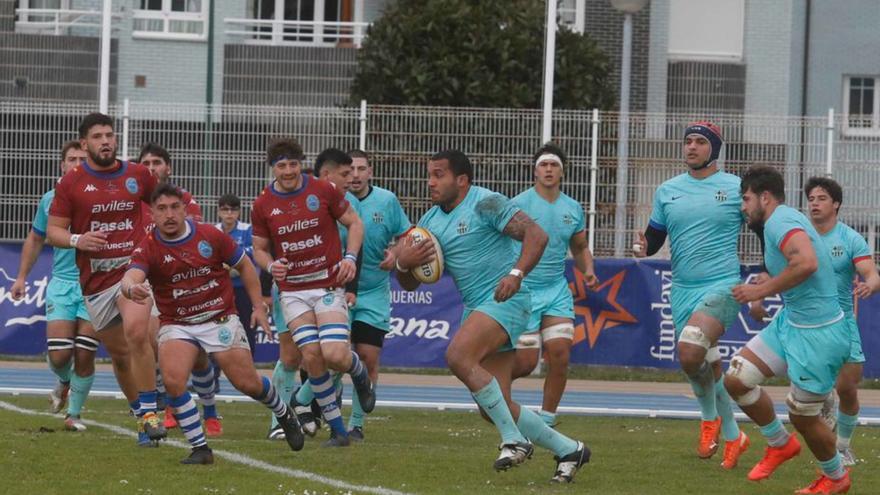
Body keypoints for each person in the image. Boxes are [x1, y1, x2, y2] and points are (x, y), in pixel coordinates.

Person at [395, 149, 589, 482]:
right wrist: (403, 261)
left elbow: (536, 235)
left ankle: (514, 440)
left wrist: (516, 273)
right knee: (492, 408)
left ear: (461, 180)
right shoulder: (428, 224)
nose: (431, 182)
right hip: (478, 307)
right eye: (429, 175)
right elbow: (409, 284)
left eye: (438, 174)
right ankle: (570, 449)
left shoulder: (486, 203)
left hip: (507, 300)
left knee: (457, 355)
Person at [121, 183, 304, 464]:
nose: (169, 214)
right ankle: (201, 449)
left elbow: (245, 265)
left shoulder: (210, 236)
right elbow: (130, 276)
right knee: (173, 381)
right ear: (152, 214)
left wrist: (258, 305)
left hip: (218, 317)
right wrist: (131, 288)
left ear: (185, 209)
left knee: (248, 383)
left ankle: (283, 412)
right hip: (178, 323)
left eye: (174, 207)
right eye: (161, 209)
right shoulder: (148, 246)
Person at [726, 165, 852, 494]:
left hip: (819, 334)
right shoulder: (777, 222)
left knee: (802, 416)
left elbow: (807, 263)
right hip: (790, 323)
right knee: (737, 379)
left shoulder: (780, 220)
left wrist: (759, 292)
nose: (743, 206)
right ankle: (780, 444)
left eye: (746, 198)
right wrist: (764, 286)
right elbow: (798, 265)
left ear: (764, 197)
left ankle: (837, 478)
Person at [46, 113, 164, 446]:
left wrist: (161, 236)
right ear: (85, 144)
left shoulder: (137, 175)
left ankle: (154, 412)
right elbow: (54, 230)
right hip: (95, 283)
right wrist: (77, 240)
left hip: (131, 272)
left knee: (138, 332)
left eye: (109, 135)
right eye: (98, 136)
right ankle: (142, 417)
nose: (106, 141)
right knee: (121, 355)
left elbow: (166, 204)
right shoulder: (71, 183)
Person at [633, 122, 746, 468]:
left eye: (699, 142)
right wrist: (643, 247)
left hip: (722, 284)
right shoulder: (668, 190)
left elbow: (761, 224)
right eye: (688, 142)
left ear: (714, 148)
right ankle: (732, 434)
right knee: (697, 362)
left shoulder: (736, 187)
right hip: (682, 287)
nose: (691, 147)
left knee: (691, 347)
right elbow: (654, 237)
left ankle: (710, 417)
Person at [251, 137, 374, 447]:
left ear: (300, 164)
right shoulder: (263, 204)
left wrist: (349, 257)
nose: (288, 171)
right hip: (292, 292)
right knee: (311, 357)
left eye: (293, 164)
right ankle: (339, 431)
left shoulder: (322, 190)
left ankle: (359, 374)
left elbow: (355, 224)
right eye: (281, 165)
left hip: (327, 284)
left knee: (334, 355)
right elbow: (260, 250)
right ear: (272, 169)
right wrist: (270, 267)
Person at [750, 176, 880, 467]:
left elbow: (870, 271)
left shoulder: (848, 238)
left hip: (841, 320)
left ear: (835, 204)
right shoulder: (797, 233)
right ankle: (820, 412)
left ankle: (843, 445)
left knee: (847, 385)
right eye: (810, 199)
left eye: (821, 198)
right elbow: (773, 273)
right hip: (802, 321)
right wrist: (757, 298)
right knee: (803, 392)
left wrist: (871, 283)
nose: (814, 204)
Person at [511, 143, 599, 428]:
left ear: (562, 172)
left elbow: (580, 246)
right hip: (524, 291)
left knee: (560, 353)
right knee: (524, 363)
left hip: (556, 291)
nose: (548, 169)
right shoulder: (519, 204)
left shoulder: (572, 208)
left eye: (554, 165)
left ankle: (546, 420)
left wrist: (588, 271)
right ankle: (489, 384)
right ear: (535, 171)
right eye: (544, 165)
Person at [11, 140, 97, 431]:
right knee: (60, 354)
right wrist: (21, 277)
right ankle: (63, 381)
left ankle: (74, 415)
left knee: (85, 352)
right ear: (62, 164)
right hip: (62, 285)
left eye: (82, 158)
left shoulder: (104, 198)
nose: (76, 163)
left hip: (94, 285)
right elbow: (36, 239)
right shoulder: (50, 199)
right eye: (71, 158)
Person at [137, 142, 218, 435]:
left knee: (198, 356)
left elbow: (193, 238)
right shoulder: (137, 201)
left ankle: (210, 408)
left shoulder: (184, 200)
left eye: (157, 162)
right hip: (151, 284)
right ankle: (172, 404)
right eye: (145, 163)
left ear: (167, 168)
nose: (151, 168)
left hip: (185, 283)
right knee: (159, 346)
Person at [215, 193, 258, 356]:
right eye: (225, 210)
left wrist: (232, 261)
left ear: (239, 212)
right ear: (219, 212)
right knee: (218, 327)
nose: (229, 214)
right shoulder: (214, 231)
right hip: (220, 289)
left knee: (247, 326)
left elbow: (254, 250)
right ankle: (215, 370)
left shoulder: (247, 229)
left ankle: (250, 366)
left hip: (243, 287)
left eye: (233, 210)